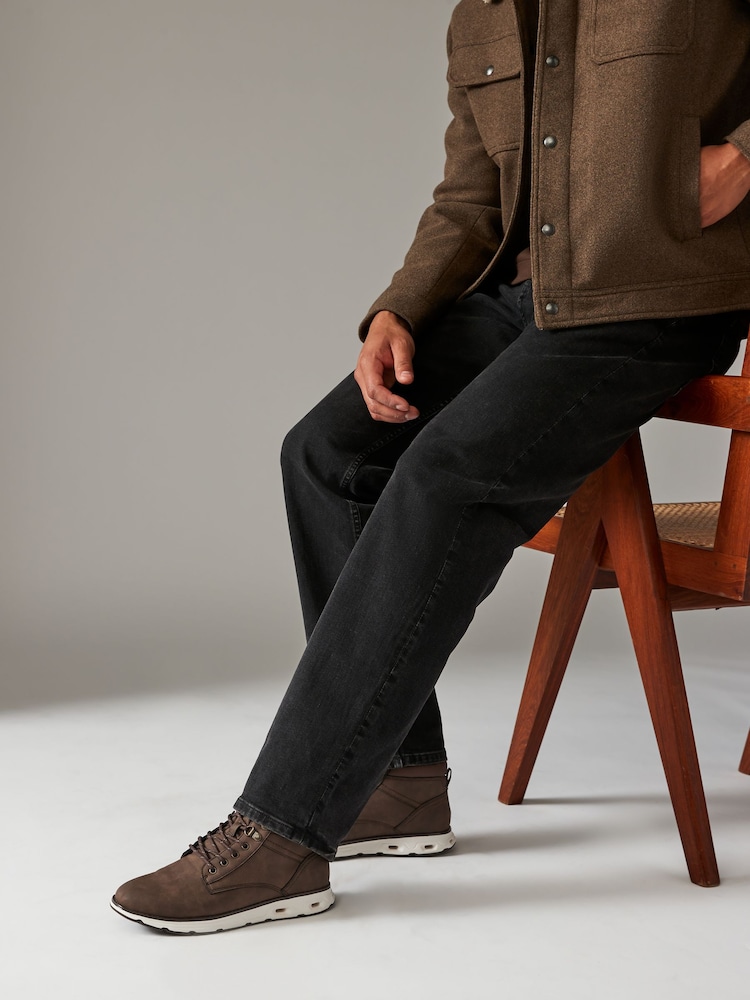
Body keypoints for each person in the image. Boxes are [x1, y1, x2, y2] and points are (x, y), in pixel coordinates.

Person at [111, 0, 750, 934]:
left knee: (443, 478)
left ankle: (283, 830)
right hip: (528, 292)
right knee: (327, 454)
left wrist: (743, 156)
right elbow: (469, 201)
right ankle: (399, 785)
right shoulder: (480, 15)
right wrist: (398, 312)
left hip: (656, 296)